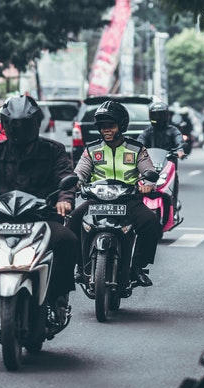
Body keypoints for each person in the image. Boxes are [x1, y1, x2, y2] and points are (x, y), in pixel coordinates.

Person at [0, 95, 77, 331]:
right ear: (5, 124)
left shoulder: (53, 150)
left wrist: (64, 200)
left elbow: (66, 178)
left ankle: (57, 300)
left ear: (35, 124)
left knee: (68, 240)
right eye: (13, 124)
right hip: (2, 219)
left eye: (23, 124)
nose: (18, 129)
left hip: (42, 217)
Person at [69, 100, 163, 287]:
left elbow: (148, 171)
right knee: (72, 221)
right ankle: (80, 267)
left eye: (110, 126)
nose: (106, 130)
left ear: (121, 126)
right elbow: (80, 173)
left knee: (151, 223)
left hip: (128, 201)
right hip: (97, 201)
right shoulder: (92, 150)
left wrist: (147, 182)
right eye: (103, 127)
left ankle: (137, 267)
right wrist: (76, 183)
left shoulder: (137, 149)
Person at [137, 101, 186, 217]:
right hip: (149, 165)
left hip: (168, 165)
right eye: (155, 115)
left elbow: (179, 141)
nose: (158, 118)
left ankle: (173, 206)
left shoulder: (173, 130)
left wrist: (180, 150)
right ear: (150, 116)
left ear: (167, 115)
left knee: (174, 183)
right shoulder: (147, 131)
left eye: (161, 115)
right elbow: (140, 142)